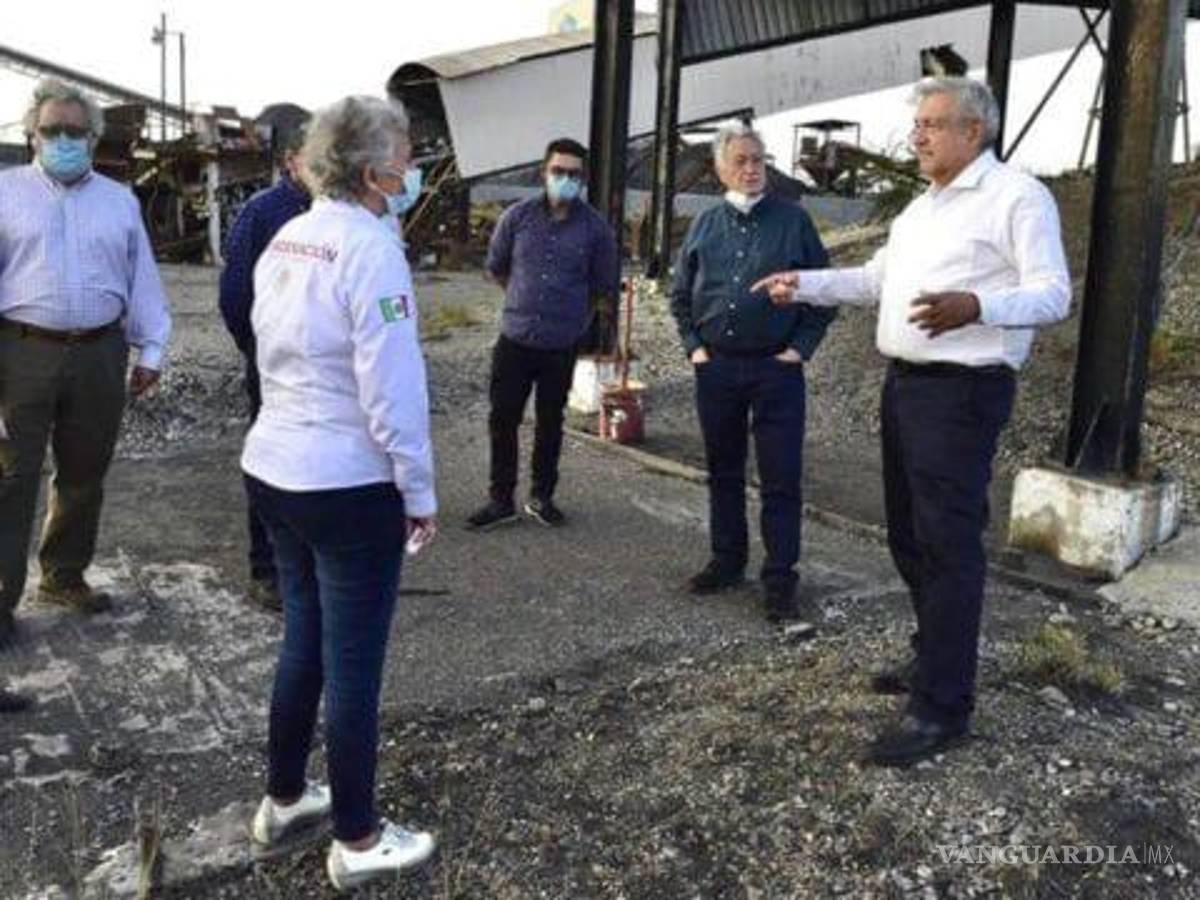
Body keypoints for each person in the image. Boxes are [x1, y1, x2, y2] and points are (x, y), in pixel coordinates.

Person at [754, 77, 1070, 766]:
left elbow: (1054, 294)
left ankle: (942, 708)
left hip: (963, 392)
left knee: (948, 544)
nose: (917, 137)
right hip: (906, 386)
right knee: (908, 534)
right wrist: (802, 283)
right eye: (917, 124)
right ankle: (934, 657)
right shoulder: (921, 210)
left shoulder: (1016, 197)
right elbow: (875, 281)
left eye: (932, 124)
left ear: (973, 132)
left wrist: (976, 306)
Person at [240, 95, 436, 891]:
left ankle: (285, 797)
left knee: (304, 642)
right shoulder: (370, 246)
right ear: (370, 169)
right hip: (346, 480)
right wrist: (417, 488)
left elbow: (263, 342)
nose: (412, 166)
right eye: (405, 154)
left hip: (277, 467)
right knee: (353, 663)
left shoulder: (290, 236)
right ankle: (356, 836)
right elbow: (392, 387)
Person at [0, 79, 171, 649]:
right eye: (53, 131)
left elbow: (140, 278)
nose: (65, 140)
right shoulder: (5, 193)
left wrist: (151, 348)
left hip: (101, 351)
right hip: (21, 351)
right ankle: (2, 599)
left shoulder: (119, 201)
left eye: (77, 132)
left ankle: (63, 576)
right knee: (10, 478)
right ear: (32, 134)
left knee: (83, 471)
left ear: (95, 139)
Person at [670, 121, 836, 625]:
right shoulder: (703, 225)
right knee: (723, 470)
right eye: (740, 161)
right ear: (720, 168)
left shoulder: (793, 222)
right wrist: (695, 347)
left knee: (780, 477)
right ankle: (727, 561)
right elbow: (681, 295)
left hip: (775, 370)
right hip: (716, 368)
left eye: (758, 160)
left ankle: (780, 580)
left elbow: (822, 291)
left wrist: (799, 349)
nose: (750, 170)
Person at [466, 137, 620, 530]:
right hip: (515, 338)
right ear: (544, 172)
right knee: (503, 418)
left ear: (583, 179)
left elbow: (603, 286)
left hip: (561, 344)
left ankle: (542, 496)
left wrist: (575, 321)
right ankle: (500, 500)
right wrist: (523, 300)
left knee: (550, 421)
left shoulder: (596, 229)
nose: (565, 179)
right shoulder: (516, 218)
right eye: (558, 171)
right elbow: (497, 268)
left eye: (573, 174)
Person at [218, 123, 312, 612]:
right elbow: (235, 295)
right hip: (274, 366)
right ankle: (266, 569)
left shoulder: (341, 211)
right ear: (290, 160)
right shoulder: (263, 213)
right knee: (272, 462)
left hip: (327, 371)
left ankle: (308, 562)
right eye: (311, 155)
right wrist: (258, 350)